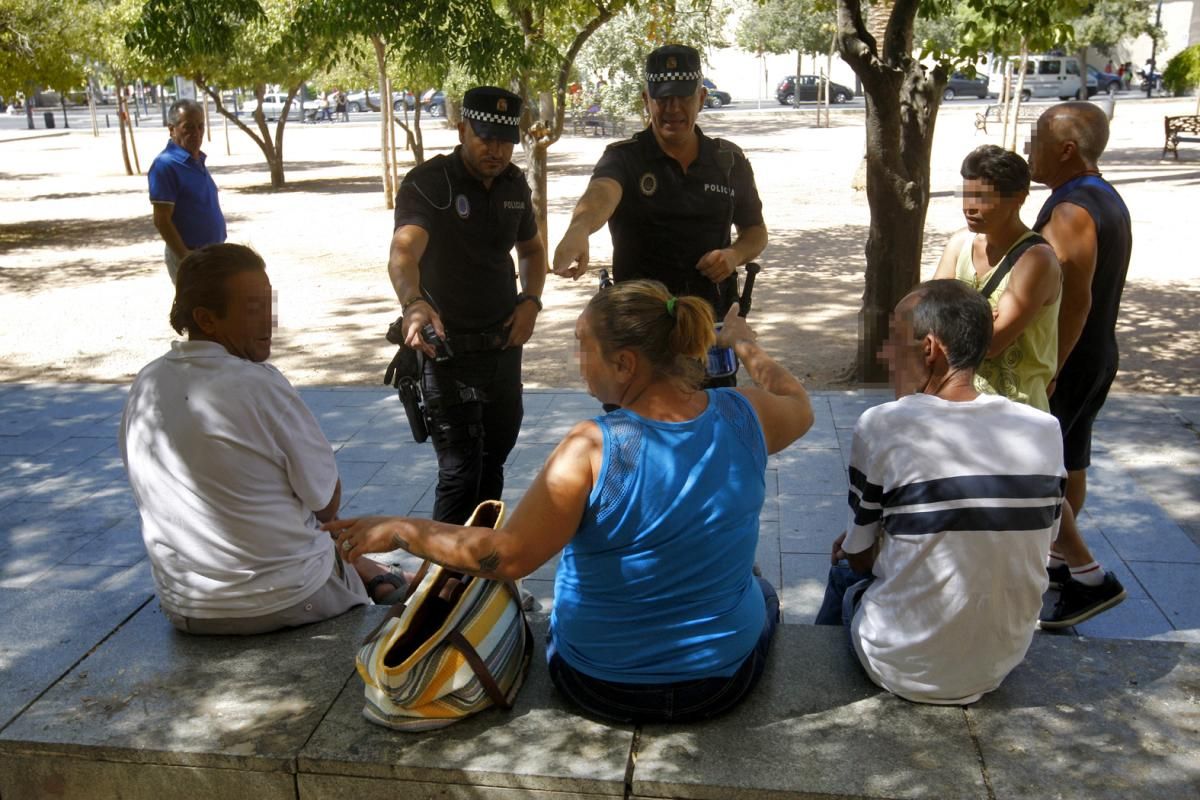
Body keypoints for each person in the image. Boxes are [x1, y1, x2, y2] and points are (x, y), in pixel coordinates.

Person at [325, 280, 814, 722]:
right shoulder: (745, 414)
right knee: (760, 587)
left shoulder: (592, 446)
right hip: (720, 685)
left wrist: (400, 531)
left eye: (584, 348)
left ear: (625, 363)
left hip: (599, 685)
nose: (577, 363)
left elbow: (507, 555)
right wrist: (744, 342)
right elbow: (800, 403)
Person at [120, 244, 407, 635]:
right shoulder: (258, 384)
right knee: (380, 557)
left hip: (186, 607)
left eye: (268, 304)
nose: (269, 321)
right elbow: (326, 502)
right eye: (252, 309)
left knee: (289, 519)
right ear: (206, 318)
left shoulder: (146, 382)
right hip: (284, 599)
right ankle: (381, 575)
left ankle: (365, 568)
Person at [815, 280, 1065, 705]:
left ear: (929, 349)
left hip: (901, 663)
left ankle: (811, 675)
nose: (883, 356)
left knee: (843, 571)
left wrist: (870, 544)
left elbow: (859, 557)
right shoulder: (1044, 428)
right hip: (1000, 662)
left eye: (893, 342)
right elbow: (1042, 539)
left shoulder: (883, 424)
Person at [552, 44, 767, 388]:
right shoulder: (624, 158)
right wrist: (579, 230)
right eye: (662, 99)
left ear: (701, 97)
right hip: (638, 334)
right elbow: (601, 195)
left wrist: (735, 255)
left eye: (683, 97)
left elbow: (756, 231)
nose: (673, 109)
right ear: (646, 99)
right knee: (640, 434)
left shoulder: (728, 161)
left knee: (708, 430)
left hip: (707, 331)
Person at [386, 86, 547, 525]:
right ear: (462, 130)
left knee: (492, 466)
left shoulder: (515, 184)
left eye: (505, 139)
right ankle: (443, 582)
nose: (496, 149)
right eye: (485, 137)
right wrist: (413, 304)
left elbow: (532, 251)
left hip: (502, 347)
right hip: (446, 352)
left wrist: (531, 301)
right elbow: (403, 253)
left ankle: (478, 573)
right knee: (459, 474)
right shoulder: (430, 183)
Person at [1027, 101, 1131, 627]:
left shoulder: (1070, 210)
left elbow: (1075, 301)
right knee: (1069, 463)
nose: (1029, 150)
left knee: (1036, 467)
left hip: (1070, 357)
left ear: (1066, 149)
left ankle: (1089, 577)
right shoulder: (1105, 197)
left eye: (1036, 140)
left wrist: (1049, 368)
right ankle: (1057, 566)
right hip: (1096, 353)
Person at [934, 144, 1061, 411]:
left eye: (982, 198)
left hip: (1015, 411)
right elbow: (922, 321)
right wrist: (980, 318)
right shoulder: (960, 245)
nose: (969, 208)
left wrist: (952, 317)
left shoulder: (1035, 260)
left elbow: (992, 344)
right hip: (956, 406)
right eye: (966, 196)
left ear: (1019, 198)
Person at [148, 99, 227, 284]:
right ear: (172, 129)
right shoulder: (165, 165)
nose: (197, 133)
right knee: (195, 309)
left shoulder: (196, 160)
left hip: (213, 252)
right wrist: (185, 255)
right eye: (188, 127)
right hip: (191, 256)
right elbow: (161, 220)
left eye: (200, 126)